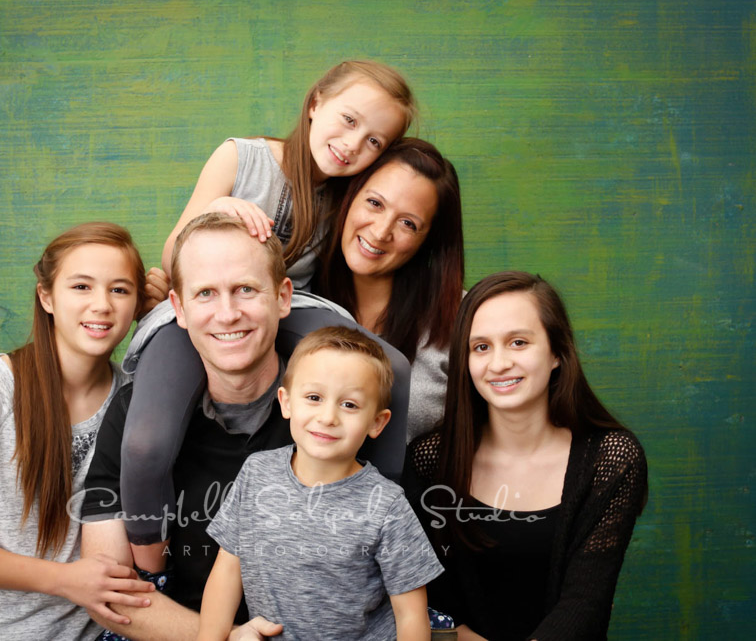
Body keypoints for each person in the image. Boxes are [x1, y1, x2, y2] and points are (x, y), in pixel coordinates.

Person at [122, 60, 418, 574]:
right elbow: (173, 258)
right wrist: (220, 209)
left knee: (393, 367)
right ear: (315, 103)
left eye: (374, 141)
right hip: (201, 305)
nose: (353, 144)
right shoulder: (244, 157)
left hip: (287, 308)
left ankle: (378, 519)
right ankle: (152, 564)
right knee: (147, 441)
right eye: (348, 120)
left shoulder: (346, 198)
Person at [81, 214, 364, 640]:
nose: (228, 314)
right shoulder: (134, 413)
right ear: (179, 308)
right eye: (206, 294)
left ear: (283, 297)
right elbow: (112, 597)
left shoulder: (337, 415)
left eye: (245, 289)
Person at [0, 222, 156, 640]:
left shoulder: (139, 402)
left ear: (138, 305)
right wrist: (65, 579)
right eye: (81, 287)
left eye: (120, 290)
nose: (101, 305)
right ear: (46, 296)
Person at [402, 272, 649, 640]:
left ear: (556, 353)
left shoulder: (610, 460)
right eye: (481, 347)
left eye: (518, 342)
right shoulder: (429, 460)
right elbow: (433, 599)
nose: (498, 363)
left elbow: (585, 603)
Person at [199, 326, 443, 641]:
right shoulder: (256, 474)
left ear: (376, 422)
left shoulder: (386, 505)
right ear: (286, 403)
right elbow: (227, 571)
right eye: (314, 397)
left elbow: (410, 613)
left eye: (350, 405)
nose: (328, 417)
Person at [314, 137, 464, 442]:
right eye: (375, 203)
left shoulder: (463, 321)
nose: (381, 232)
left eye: (408, 223)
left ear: (429, 240)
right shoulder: (293, 300)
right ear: (350, 196)